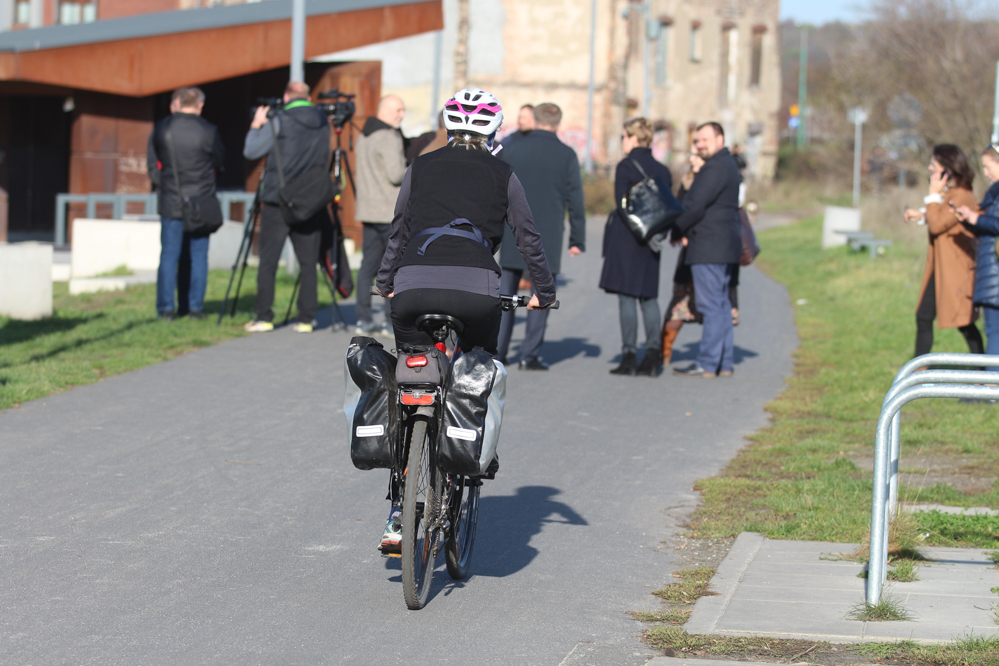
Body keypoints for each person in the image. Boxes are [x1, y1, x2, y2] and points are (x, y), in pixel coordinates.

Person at [375, 88, 556, 550]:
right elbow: (528, 236)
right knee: (480, 366)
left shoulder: (420, 166)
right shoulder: (503, 173)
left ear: (449, 127)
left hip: (412, 290)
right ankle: (473, 446)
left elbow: (399, 230)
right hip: (477, 292)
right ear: (493, 131)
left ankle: (398, 511)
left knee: (409, 376)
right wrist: (545, 292)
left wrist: (384, 282)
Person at [496, 102, 585, 369]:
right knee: (542, 294)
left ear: (535, 119)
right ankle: (529, 355)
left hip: (513, 230)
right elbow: (575, 199)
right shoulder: (567, 154)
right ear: (558, 123)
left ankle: (499, 352)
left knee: (506, 296)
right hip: (548, 234)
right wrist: (577, 239)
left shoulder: (512, 149)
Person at [242, 81, 332, 333]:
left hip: (278, 199)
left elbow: (251, 151)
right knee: (308, 262)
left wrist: (256, 124)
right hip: (310, 199)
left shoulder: (280, 120)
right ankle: (306, 319)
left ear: (286, 97)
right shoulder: (323, 121)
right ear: (308, 97)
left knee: (268, 261)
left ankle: (264, 317)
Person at [599, 117, 672, 376]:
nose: (622, 142)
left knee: (627, 297)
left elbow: (623, 205)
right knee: (649, 297)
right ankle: (652, 356)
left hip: (628, 238)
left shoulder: (626, 166)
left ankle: (629, 356)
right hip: (652, 239)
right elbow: (666, 207)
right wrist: (655, 234)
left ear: (633, 137)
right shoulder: (663, 170)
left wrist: (639, 231)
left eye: (623, 137)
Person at [669, 122, 742, 378]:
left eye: (705, 139)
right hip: (724, 245)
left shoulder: (714, 167)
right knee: (721, 305)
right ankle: (724, 363)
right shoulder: (728, 164)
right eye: (697, 140)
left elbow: (694, 205)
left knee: (711, 306)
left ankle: (708, 362)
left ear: (720, 139)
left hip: (710, 246)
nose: (700, 144)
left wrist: (675, 230)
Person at [147, 86, 225, 321]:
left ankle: (166, 309)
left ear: (177, 103)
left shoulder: (162, 129)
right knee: (198, 256)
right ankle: (195, 308)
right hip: (201, 202)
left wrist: (166, 186)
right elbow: (219, 162)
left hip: (171, 201)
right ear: (200, 105)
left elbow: (152, 165)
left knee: (169, 257)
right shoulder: (209, 131)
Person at [903, 144, 981, 358]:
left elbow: (938, 224)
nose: (930, 169)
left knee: (964, 322)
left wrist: (932, 196)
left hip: (956, 269)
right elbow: (942, 216)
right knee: (924, 316)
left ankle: (983, 368)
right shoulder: (951, 193)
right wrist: (922, 214)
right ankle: (918, 370)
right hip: (940, 268)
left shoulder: (962, 194)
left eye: (934, 165)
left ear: (948, 168)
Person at [354, 95, 408, 336]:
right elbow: (396, 174)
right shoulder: (387, 136)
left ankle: (363, 319)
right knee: (393, 268)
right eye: (398, 110)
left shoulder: (364, 135)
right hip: (388, 212)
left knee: (367, 267)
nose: (402, 115)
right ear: (384, 110)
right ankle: (389, 321)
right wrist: (416, 166)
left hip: (368, 210)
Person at [956, 145, 999, 365]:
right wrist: (970, 221)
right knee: (993, 329)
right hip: (991, 270)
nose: (985, 172)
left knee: (994, 332)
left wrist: (977, 219)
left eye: (988, 166)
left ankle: (992, 382)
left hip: (995, 273)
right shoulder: (994, 193)